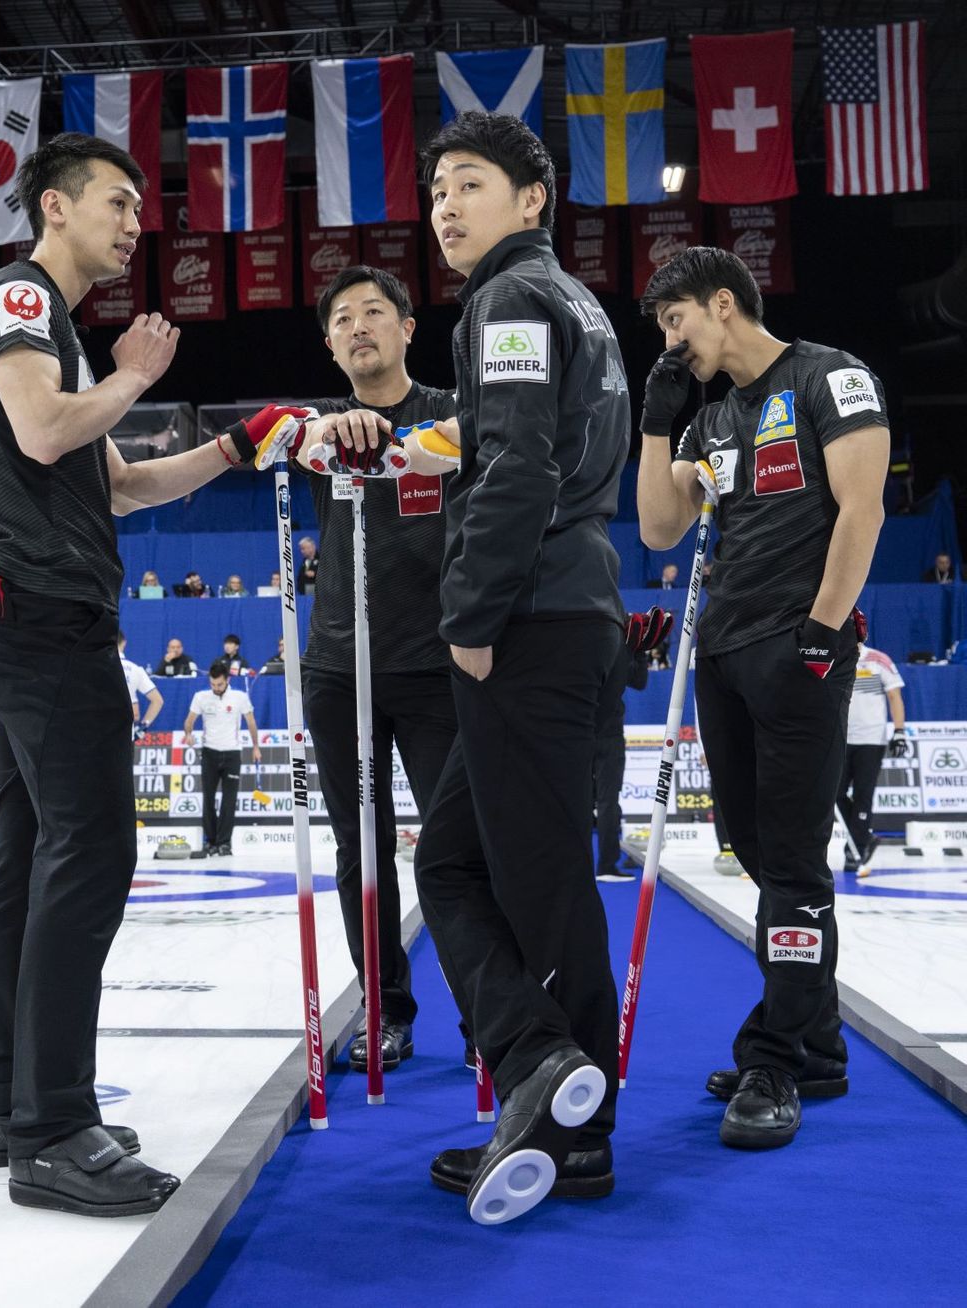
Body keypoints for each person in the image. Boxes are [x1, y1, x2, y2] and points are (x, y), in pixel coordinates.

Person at [0, 131, 295, 1216]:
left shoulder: (54, 329)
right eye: (116, 200)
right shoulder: (19, 299)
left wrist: (242, 446)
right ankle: (53, 1126)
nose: (136, 219)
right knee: (90, 851)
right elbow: (46, 432)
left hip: (34, 611)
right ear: (53, 207)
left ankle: (6, 1100)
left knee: (28, 853)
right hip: (46, 619)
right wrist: (140, 375)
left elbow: (125, 485)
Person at [412, 111, 630, 1225]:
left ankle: (558, 1100)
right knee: (451, 864)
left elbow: (519, 466)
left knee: (533, 878)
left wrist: (468, 613)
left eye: (470, 184)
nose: (445, 205)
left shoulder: (508, 300)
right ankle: (550, 1078)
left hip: (530, 612)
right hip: (572, 602)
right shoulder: (572, 298)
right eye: (438, 189)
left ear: (533, 198)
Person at [636, 244, 890, 1149]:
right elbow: (660, 529)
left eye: (676, 323)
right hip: (725, 654)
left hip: (800, 649)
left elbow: (863, 510)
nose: (671, 345)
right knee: (752, 848)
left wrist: (822, 636)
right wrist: (658, 427)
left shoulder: (830, 376)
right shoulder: (710, 423)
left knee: (789, 861)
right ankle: (815, 1045)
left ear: (721, 304)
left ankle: (775, 1057)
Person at [273, 263, 460, 1075]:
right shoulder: (320, 430)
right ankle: (385, 1011)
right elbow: (297, 440)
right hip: (340, 670)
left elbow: (477, 454)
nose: (359, 326)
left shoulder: (453, 415)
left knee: (456, 850)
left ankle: (492, 1013)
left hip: (438, 666)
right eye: (343, 318)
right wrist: (326, 432)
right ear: (329, 343)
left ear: (408, 328)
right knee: (362, 850)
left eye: (375, 312)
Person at [838, 643, 906, 871]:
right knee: (835, 794)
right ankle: (865, 837)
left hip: (871, 739)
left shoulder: (878, 659)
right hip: (842, 739)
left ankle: (856, 848)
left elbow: (894, 696)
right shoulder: (837, 656)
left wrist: (899, 732)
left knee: (863, 796)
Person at [183, 661, 261, 857]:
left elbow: (251, 722)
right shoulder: (201, 697)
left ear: (227, 680)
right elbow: (189, 721)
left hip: (232, 753)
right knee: (208, 798)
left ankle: (225, 843)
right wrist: (189, 733)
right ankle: (210, 842)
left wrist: (256, 746)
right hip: (209, 752)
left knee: (229, 800)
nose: (216, 688)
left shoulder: (239, 697)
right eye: (213, 684)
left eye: (219, 684)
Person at [594, 646, 649, 882]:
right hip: (606, 733)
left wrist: (638, 652)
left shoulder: (576, 635)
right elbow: (638, 680)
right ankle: (606, 866)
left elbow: (637, 681)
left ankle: (573, 867)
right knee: (607, 801)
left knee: (575, 802)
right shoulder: (617, 641)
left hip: (577, 729)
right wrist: (639, 651)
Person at [118, 630, 163, 741]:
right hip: (126, 735)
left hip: (98, 735)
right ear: (124, 642)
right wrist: (143, 727)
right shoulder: (135, 669)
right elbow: (158, 700)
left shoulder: (97, 668)